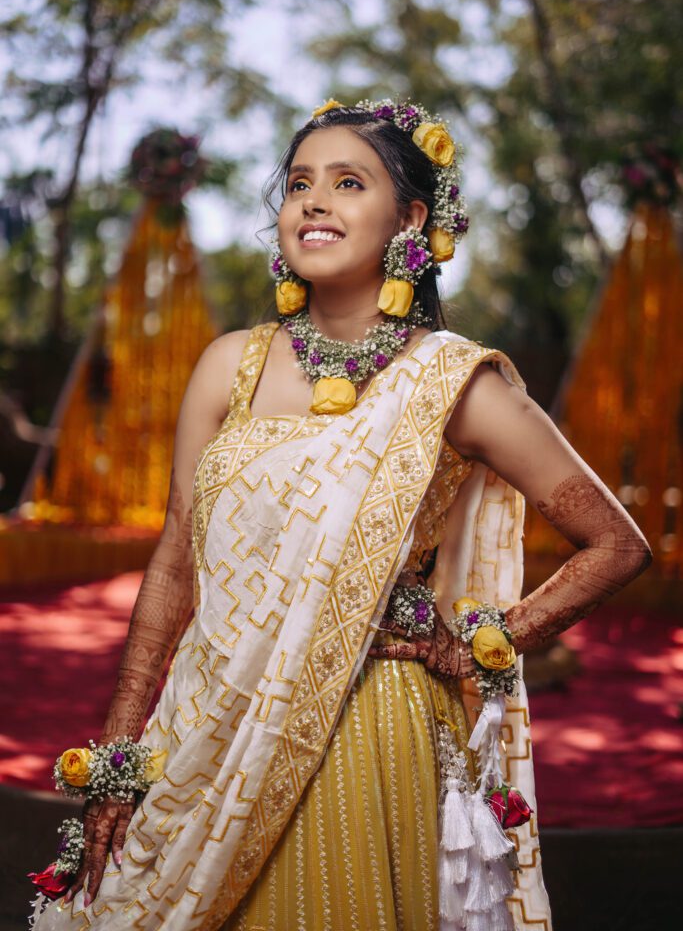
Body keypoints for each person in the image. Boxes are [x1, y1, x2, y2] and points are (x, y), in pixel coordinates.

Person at [30, 100, 651, 931]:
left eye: (346, 183)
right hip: (203, 725)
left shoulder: (454, 384)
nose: (312, 202)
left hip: (362, 720)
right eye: (297, 184)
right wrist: (119, 755)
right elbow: (176, 558)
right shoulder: (230, 367)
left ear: (410, 218)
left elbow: (615, 544)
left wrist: (485, 640)